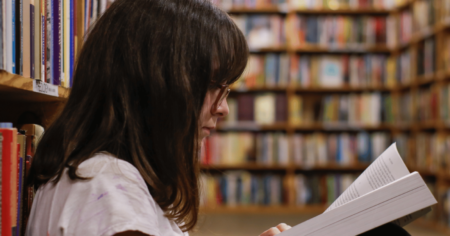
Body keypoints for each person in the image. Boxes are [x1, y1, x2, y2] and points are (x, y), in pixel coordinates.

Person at [24, 0, 290, 235]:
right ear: (156, 83)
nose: (223, 109)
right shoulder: (107, 188)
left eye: (226, 88)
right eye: (211, 85)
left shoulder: (101, 177)